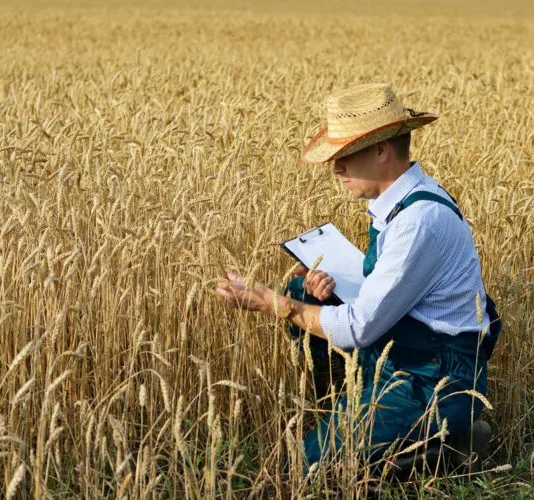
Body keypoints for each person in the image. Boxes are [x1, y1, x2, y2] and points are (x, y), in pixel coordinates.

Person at [214, 83, 502, 477]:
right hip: (407, 353)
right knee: (302, 288)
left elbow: (358, 327)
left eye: (346, 156)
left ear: (381, 150)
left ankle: (450, 443)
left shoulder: (418, 222)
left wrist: (272, 303)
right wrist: (323, 288)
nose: (336, 169)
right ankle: (358, 414)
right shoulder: (401, 202)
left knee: (299, 471)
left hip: (434, 377)